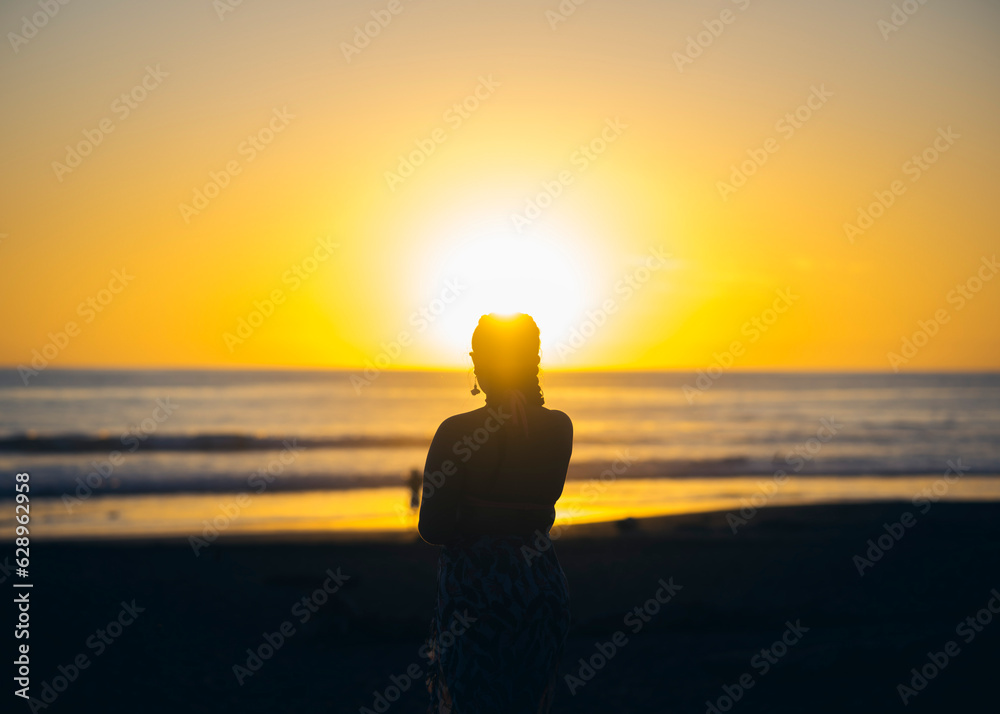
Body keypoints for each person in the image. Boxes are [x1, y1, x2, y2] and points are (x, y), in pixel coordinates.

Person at [418, 313, 573, 714]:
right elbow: (539, 513)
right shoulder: (560, 427)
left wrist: (475, 516)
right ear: (532, 360)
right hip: (540, 585)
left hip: (475, 592)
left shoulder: (455, 432)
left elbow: (432, 528)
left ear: (480, 363)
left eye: (477, 356)